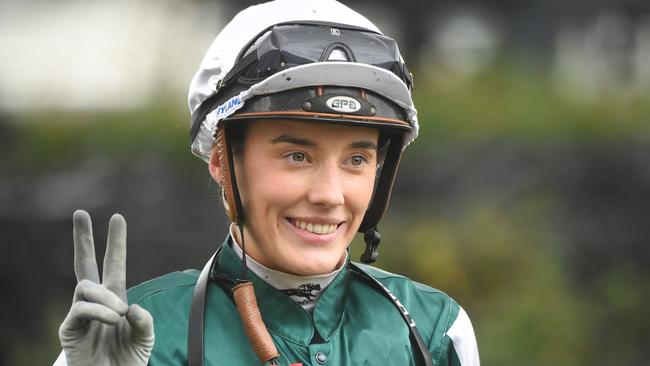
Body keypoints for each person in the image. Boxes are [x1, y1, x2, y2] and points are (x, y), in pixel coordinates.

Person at [54, 0, 480, 365]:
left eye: (356, 159)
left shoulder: (433, 329)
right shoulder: (136, 331)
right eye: (297, 156)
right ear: (222, 161)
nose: (330, 195)